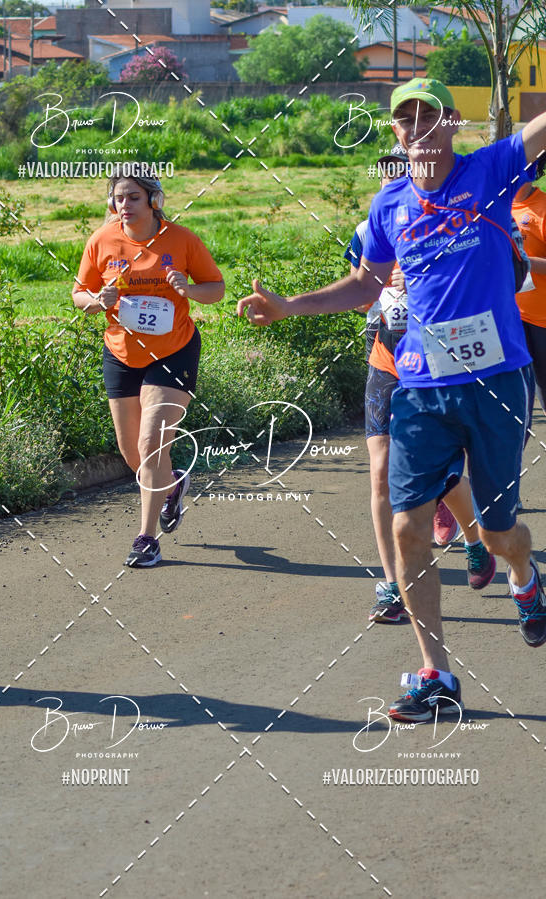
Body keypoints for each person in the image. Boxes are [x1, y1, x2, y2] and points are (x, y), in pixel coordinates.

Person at [237, 78, 546, 722]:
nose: (415, 128)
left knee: (496, 534)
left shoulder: (489, 169)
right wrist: (289, 306)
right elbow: (364, 284)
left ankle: (524, 574)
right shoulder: (389, 206)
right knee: (407, 529)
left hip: (495, 382)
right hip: (420, 387)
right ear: (396, 133)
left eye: (427, 116)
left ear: (451, 123)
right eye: (404, 119)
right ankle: (436, 673)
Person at [347, 147, 496, 624]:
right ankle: (392, 584)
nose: (396, 183)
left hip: (438, 363)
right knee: (380, 471)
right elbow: (357, 290)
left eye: (404, 174)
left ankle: (475, 538)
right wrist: (382, 297)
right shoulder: (373, 225)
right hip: (387, 359)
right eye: (389, 175)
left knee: (443, 474)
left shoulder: (454, 222)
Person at [72, 174, 225, 567]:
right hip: (121, 352)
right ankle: (172, 486)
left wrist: (187, 290)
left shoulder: (182, 239)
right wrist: (95, 299)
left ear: (154, 200)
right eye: (118, 198)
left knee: (151, 443)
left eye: (134, 197)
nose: (125, 205)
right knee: (131, 453)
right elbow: (78, 295)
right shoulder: (101, 240)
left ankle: (146, 539)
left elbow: (215, 288)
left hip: (173, 351)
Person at [512, 156, 546, 413]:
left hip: (541, 320)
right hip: (508, 316)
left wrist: (524, 261)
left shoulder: (542, 209)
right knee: (515, 396)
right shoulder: (496, 206)